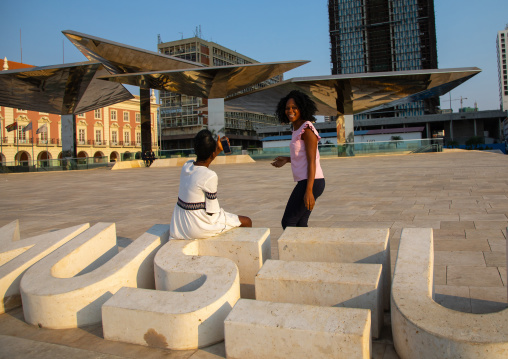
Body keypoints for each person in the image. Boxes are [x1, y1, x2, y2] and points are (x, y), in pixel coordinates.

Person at [170, 129, 252, 239]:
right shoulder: (210, 175)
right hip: (196, 227)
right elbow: (213, 212)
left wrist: (216, 150)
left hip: (179, 224)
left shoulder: (187, 165)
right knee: (246, 221)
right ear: (212, 153)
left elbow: (202, 166)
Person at [271, 90, 325, 229]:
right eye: (288, 108)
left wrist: (309, 191)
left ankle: (294, 251)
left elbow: (312, 160)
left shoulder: (307, 130)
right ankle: (306, 251)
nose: (290, 110)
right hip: (307, 181)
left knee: (288, 222)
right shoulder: (297, 129)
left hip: (311, 181)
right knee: (300, 223)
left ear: (302, 108)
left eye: (294, 107)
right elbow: (302, 156)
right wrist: (287, 159)